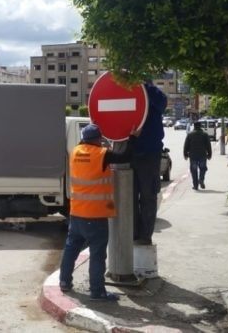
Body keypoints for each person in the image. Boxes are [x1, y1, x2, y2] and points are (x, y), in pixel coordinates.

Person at [59, 124, 136, 301]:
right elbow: (126, 156)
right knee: (97, 255)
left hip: (76, 213)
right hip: (95, 216)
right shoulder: (101, 154)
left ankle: (64, 282)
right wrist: (132, 137)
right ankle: (97, 291)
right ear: (98, 139)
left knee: (71, 249)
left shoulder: (75, 151)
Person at [132, 79, 167, 246]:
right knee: (128, 197)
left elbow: (162, 102)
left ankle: (144, 235)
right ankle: (133, 233)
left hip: (149, 153)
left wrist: (143, 87)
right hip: (128, 152)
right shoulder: (125, 91)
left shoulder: (152, 93)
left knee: (148, 196)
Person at [184, 121, 212, 190]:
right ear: (200, 126)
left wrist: (185, 154)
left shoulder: (190, 134)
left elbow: (186, 145)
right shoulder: (205, 134)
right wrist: (209, 154)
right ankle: (201, 179)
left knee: (194, 170)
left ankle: (195, 185)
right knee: (203, 168)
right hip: (202, 155)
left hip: (193, 155)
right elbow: (208, 145)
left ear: (194, 126)